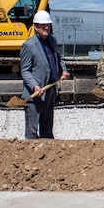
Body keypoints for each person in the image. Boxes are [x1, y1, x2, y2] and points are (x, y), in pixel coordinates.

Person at [20, 10, 70, 139]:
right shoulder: (28, 45)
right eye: (43, 25)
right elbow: (25, 71)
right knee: (32, 131)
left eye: (48, 24)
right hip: (36, 94)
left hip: (49, 91)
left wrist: (63, 70)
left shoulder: (52, 40)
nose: (46, 27)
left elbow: (58, 58)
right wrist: (34, 86)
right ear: (36, 27)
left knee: (47, 129)